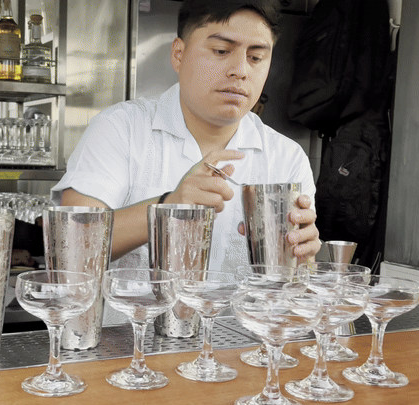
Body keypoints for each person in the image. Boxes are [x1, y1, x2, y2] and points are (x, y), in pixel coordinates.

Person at [52, 0, 321, 273]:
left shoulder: (286, 157)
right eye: (221, 51)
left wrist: (303, 258)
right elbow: (69, 249)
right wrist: (168, 207)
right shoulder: (120, 129)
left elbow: (299, 283)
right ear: (178, 54)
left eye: (255, 58)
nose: (240, 71)